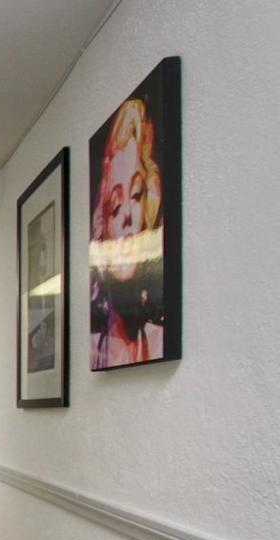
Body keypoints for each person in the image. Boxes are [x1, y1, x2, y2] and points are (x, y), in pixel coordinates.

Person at [89, 95, 165, 368]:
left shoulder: (160, 341)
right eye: (116, 207)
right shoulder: (96, 349)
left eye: (136, 195)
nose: (127, 219)